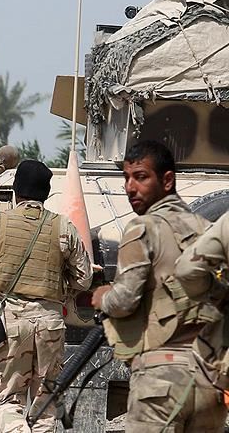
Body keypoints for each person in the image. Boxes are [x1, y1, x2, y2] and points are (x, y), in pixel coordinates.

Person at [91, 141, 225, 432]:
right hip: (209, 381)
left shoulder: (143, 228)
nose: (130, 188)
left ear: (167, 180)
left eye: (140, 177)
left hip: (161, 379)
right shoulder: (208, 229)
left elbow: (124, 300)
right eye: (126, 178)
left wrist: (103, 297)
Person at [0, 159, 92, 432]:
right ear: (46, 193)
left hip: (9, 323)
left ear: (16, 191)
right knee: (45, 405)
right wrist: (62, 285)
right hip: (50, 323)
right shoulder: (63, 226)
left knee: (3, 401)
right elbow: (84, 280)